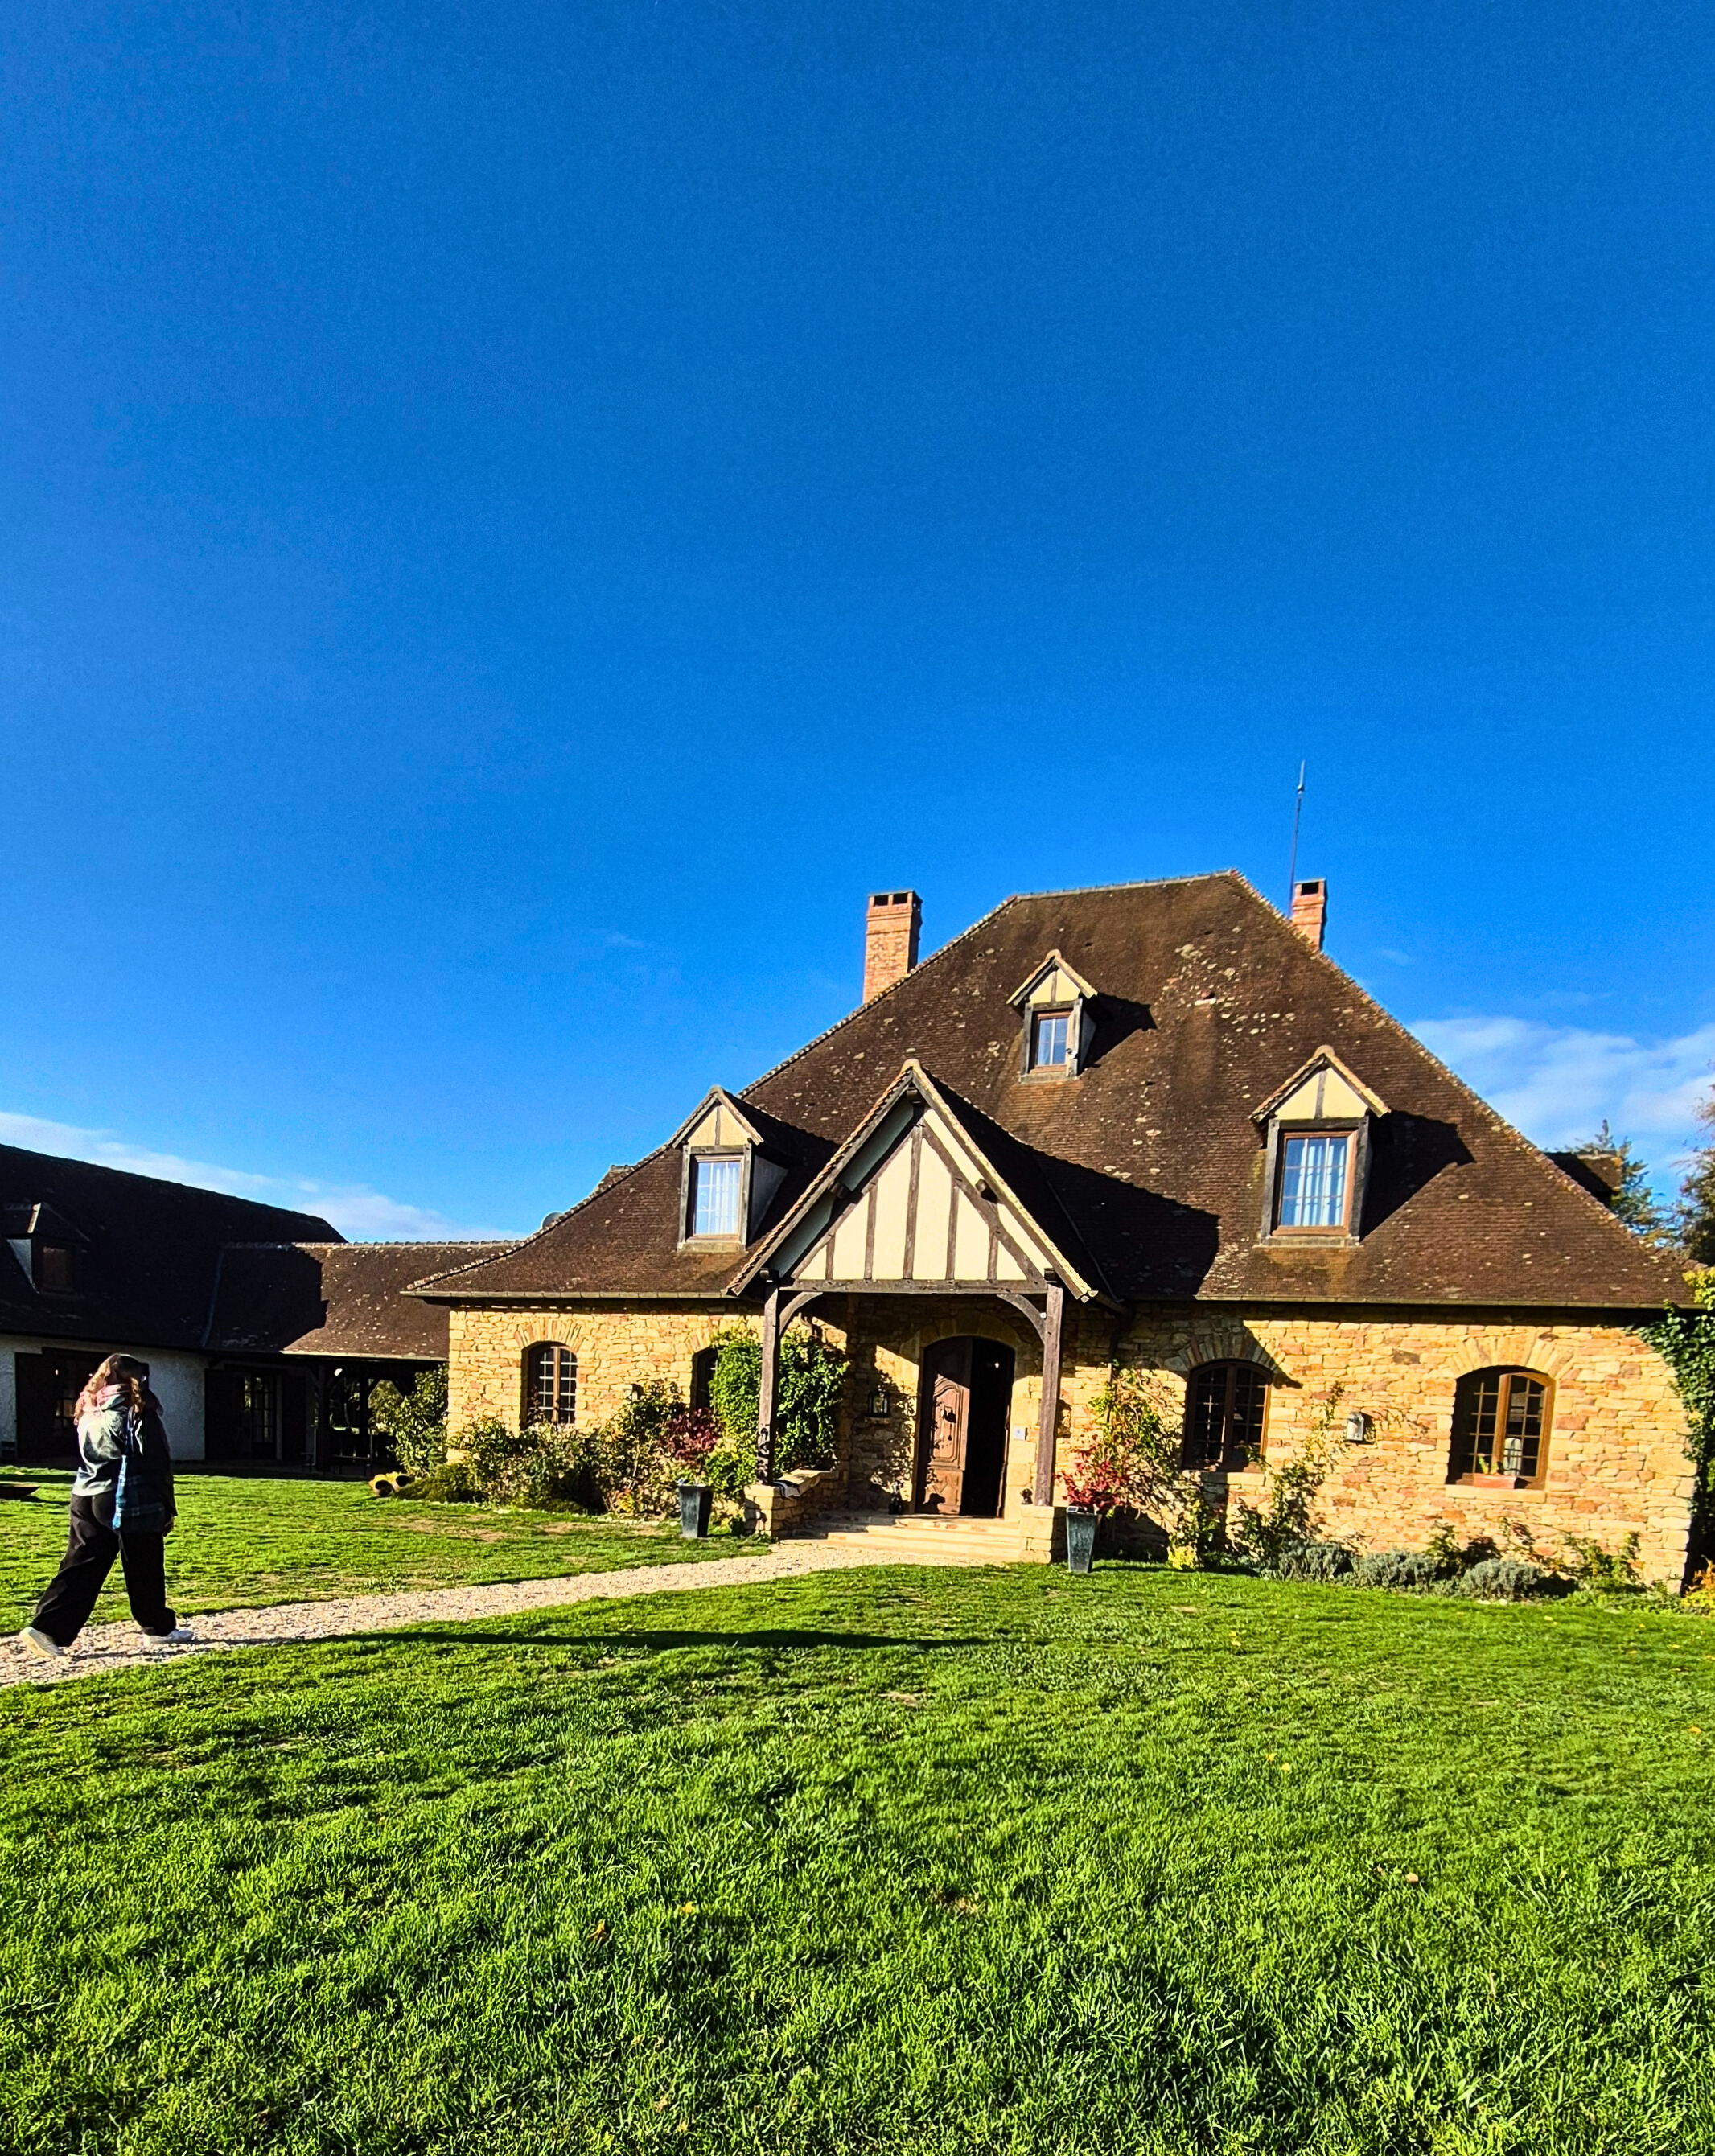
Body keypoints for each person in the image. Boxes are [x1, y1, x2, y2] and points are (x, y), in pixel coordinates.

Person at [20, 1353, 195, 1657]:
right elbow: (155, 1463)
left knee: (81, 1563)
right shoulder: (137, 1412)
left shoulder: (88, 1410)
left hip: (85, 1494)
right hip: (126, 1496)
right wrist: (167, 1506)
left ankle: (46, 1627)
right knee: (144, 1562)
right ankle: (158, 1628)